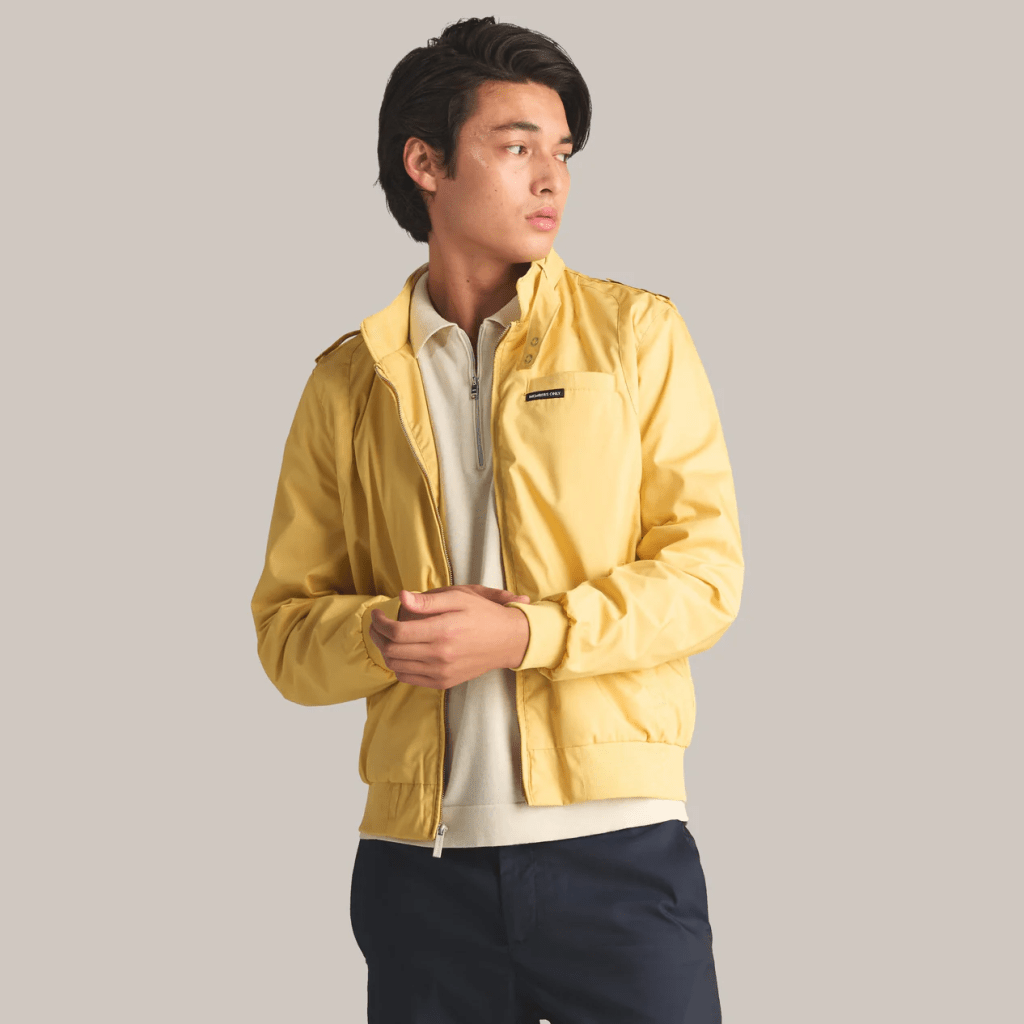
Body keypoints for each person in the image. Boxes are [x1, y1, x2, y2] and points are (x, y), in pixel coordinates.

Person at [250, 15, 743, 1024]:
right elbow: (287, 635)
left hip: (619, 852)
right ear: (425, 163)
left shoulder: (636, 336)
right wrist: (381, 634)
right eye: (517, 148)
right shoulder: (347, 381)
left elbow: (703, 576)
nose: (551, 179)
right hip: (417, 869)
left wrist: (526, 634)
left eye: (562, 152)